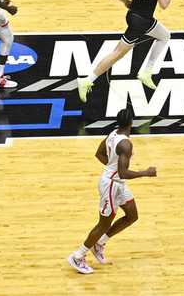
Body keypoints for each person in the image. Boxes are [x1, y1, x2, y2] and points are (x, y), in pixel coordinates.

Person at [67, 106, 157, 275]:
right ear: (131, 122)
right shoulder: (125, 144)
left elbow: (99, 154)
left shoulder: (113, 134)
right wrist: (146, 173)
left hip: (117, 183)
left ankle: (99, 244)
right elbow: (123, 172)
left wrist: (111, 168)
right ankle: (77, 256)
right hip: (111, 185)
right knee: (103, 224)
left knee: (132, 215)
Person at [77, 0, 173, 101]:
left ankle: (146, 72)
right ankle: (87, 80)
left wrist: (126, 2)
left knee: (165, 35)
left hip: (133, 16)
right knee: (117, 54)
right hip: (142, 22)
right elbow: (164, 5)